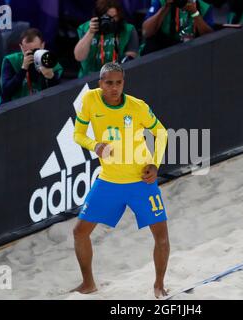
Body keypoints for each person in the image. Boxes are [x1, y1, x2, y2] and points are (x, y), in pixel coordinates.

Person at [72, 62, 170, 298]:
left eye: (118, 83)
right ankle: (88, 284)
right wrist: (94, 145)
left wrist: (155, 164)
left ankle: (159, 285)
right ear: (100, 83)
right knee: (79, 232)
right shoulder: (89, 101)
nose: (114, 88)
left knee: (161, 236)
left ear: (123, 83)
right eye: (109, 83)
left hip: (140, 181)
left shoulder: (137, 107)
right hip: (109, 180)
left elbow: (162, 132)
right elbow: (78, 134)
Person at [74, 0, 139, 79]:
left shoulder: (128, 30)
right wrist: (90, 33)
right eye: (107, 17)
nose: (111, 21)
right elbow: (79, 57)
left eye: (114, 17)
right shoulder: (85, 28)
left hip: (116, 77)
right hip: (89, 77)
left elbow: (130, 59)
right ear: (98, 17)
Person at [0, 28, 63, 104]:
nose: (32, 54)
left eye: (36, 50)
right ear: (21, 47)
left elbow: (58, 96)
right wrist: (23, 69)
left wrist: (51, 77)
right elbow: (5, 92)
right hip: (14, 106)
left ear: (43, 45)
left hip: (41, 105)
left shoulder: (50, 61)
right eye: (27, 51)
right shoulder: (11, 60)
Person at [141, 0, 214, 55]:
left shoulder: (203, 6)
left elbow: (210, 39)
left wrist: (194, 12)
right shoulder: (161, 2)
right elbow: (146, 32)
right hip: (164, 48)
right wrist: (165, 8)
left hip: (193, 49)